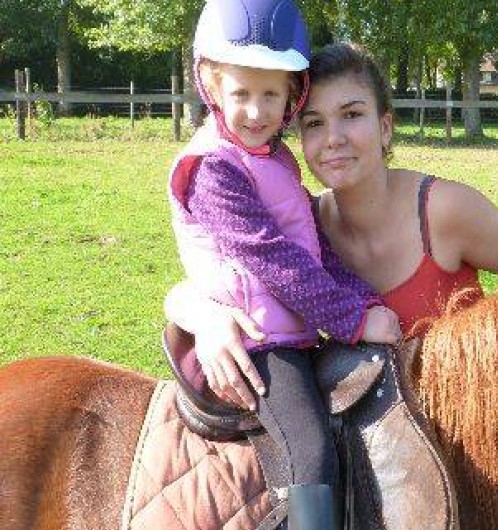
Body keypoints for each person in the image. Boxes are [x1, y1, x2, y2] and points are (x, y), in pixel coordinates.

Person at [166, 41, 498, 529]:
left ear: (385, 125)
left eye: (351, 114)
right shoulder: (308, 227)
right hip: (396, 472)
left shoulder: (444, 211)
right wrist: (205, 316)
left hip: (482, 455)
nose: (333, 139)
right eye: (315, 123)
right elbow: (234, 265)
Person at [167, 3, 401, 527]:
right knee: (312, 454)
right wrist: (354, 320)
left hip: (288, 333)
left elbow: (313, 249)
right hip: (259, 346)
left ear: (291, 96)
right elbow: (275, 261)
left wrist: (364, 299)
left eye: (271, 94)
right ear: (210, 85)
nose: (256, 111)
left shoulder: (275, 160)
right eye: (241, 94)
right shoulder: (213, 170)